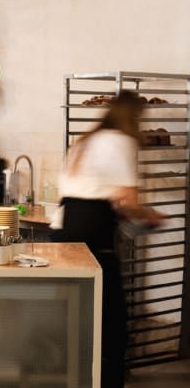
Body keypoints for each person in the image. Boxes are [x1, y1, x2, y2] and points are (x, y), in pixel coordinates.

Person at [51, 90, 164, 388]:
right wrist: (151, 216)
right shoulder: (122, 141)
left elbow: (94, 192)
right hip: (93, 230)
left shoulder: (86, 141)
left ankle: (67, 374)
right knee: (112, 318)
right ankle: (107, 380)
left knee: (74, 307)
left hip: (64, 227)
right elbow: (128, 199)